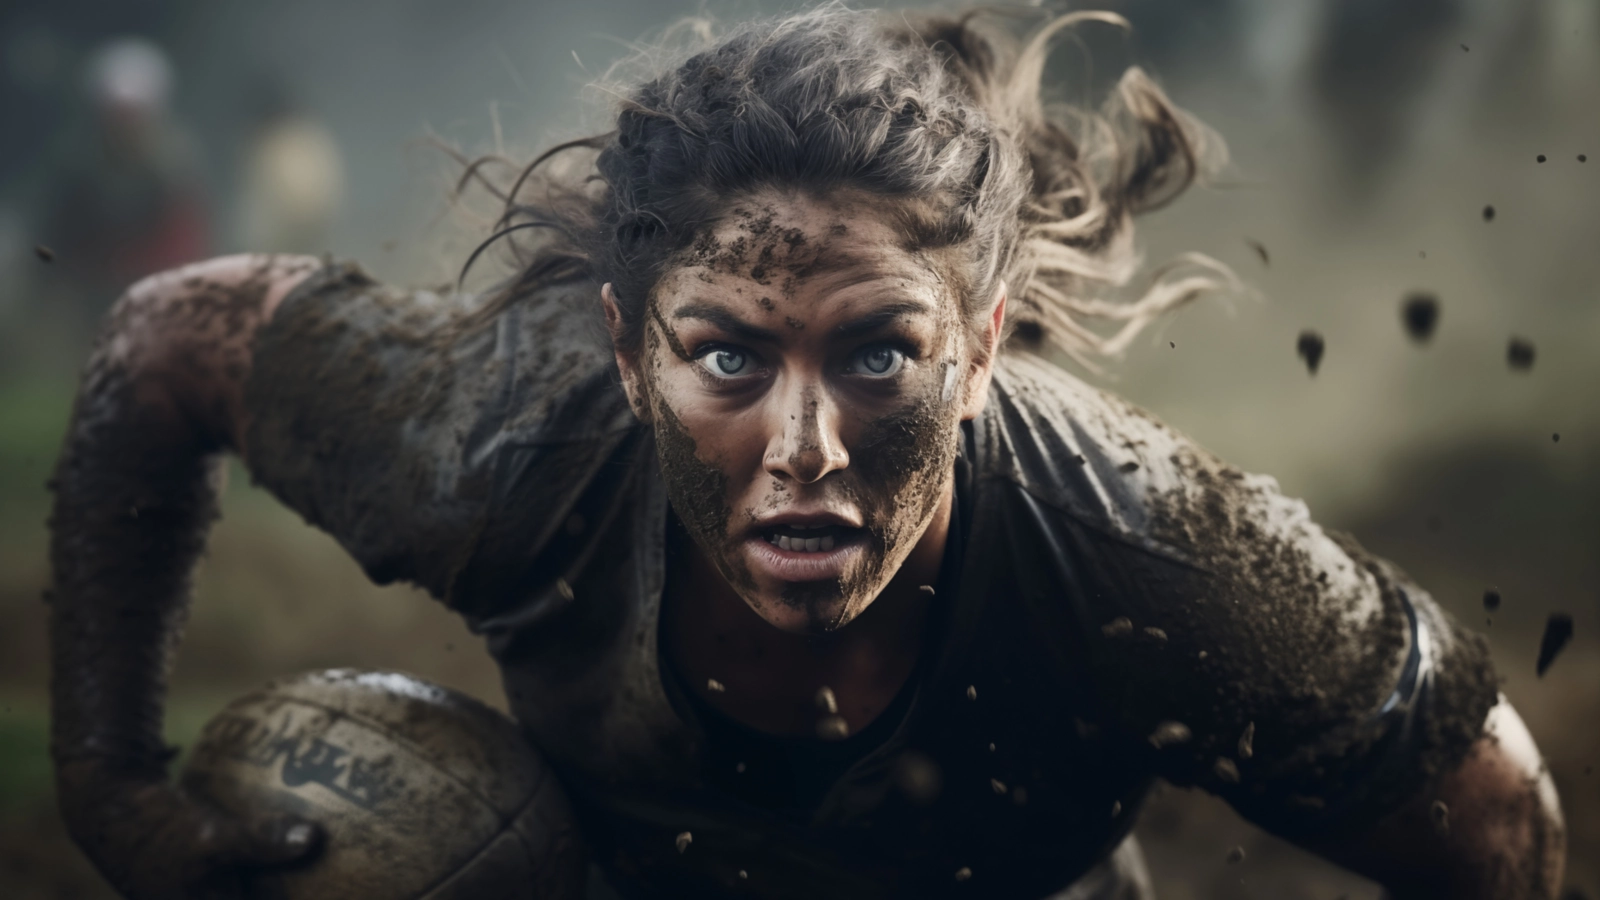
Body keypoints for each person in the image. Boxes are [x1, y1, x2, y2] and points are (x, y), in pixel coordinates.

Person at [46, 7, 1564, 899]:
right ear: (629, 355)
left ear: (981, 357)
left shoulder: (1154, 555)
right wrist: (111, 783)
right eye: (725, 357)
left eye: (878, 355)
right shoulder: (501, 430)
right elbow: (174, 337)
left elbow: (1496, 818)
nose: (805, 449)